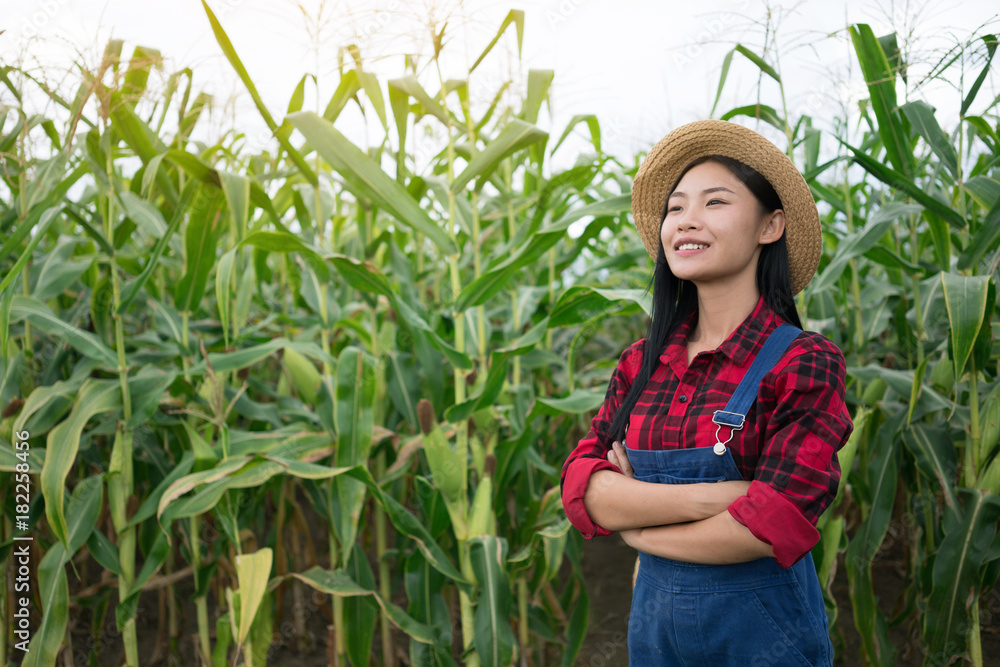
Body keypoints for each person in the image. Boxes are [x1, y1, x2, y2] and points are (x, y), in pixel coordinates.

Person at [560, 120, 853, 666]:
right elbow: (583, 489)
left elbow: (774, 523)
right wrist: (711, 499)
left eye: (715, 202)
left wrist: (640, 530)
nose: (686, 220)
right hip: (655, 642)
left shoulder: (801, 362)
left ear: (771, 225)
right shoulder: (641, 365)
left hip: (765, 644)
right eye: (675, 207)